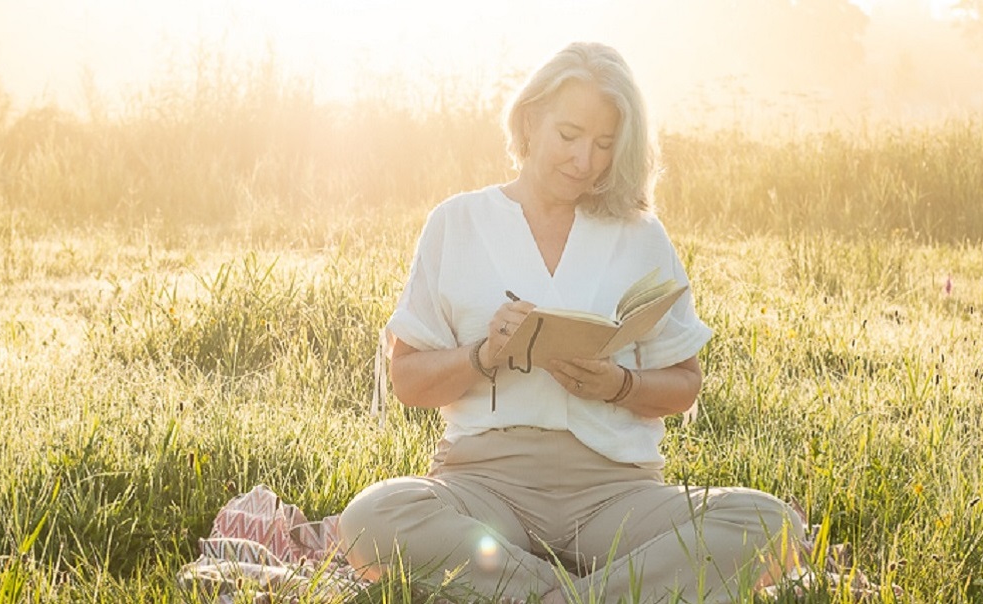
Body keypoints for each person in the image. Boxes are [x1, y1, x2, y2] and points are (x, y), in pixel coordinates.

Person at [338, 42, 804, 604]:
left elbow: (685, 383)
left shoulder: (639, 234)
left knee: (773, 525)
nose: (584, 160)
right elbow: (407, 381)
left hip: (615, 494)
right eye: (569, 136)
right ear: (530, 120)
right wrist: (484, 355)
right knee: (371, 517)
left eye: (604, 144)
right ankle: (603, 594)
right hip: (486, 487)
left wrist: (620, 385)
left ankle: (531, 594)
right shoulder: (457, 222)